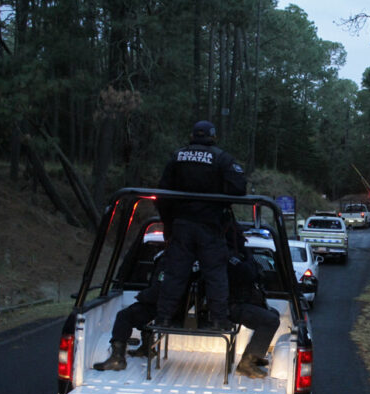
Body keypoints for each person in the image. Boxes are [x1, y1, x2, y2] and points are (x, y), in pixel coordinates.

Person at [155, 120, 246, 331]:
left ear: (192, 135)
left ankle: (163, 318)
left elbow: (162, 193)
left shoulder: (177, 157)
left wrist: (168, 223)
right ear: (213, 136)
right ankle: (218, 320)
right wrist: (219, 198)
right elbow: (239, 187)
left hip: (182, 224)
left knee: (175, 273)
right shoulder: (221, 158)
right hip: (209, 225)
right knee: (215, 274)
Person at [93, 251, 166, 371]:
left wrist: (142, 296)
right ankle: (147, 348)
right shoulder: (185, 256)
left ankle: (118, 358)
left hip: (163, 307)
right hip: (172, 306)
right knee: (141, 309)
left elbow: (158, 291)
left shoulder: (168, 259)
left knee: (124, 315)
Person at [225, 224, 280, 379]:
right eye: (240, 235)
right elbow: (248, 273)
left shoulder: (236, 254)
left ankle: (253, 356)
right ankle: (247, 364)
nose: (244, 239)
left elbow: (256, 274)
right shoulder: (228, 256)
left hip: (238, 302)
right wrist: (248, 257)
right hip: (230, 306)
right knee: (270, 320)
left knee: (272, 314)